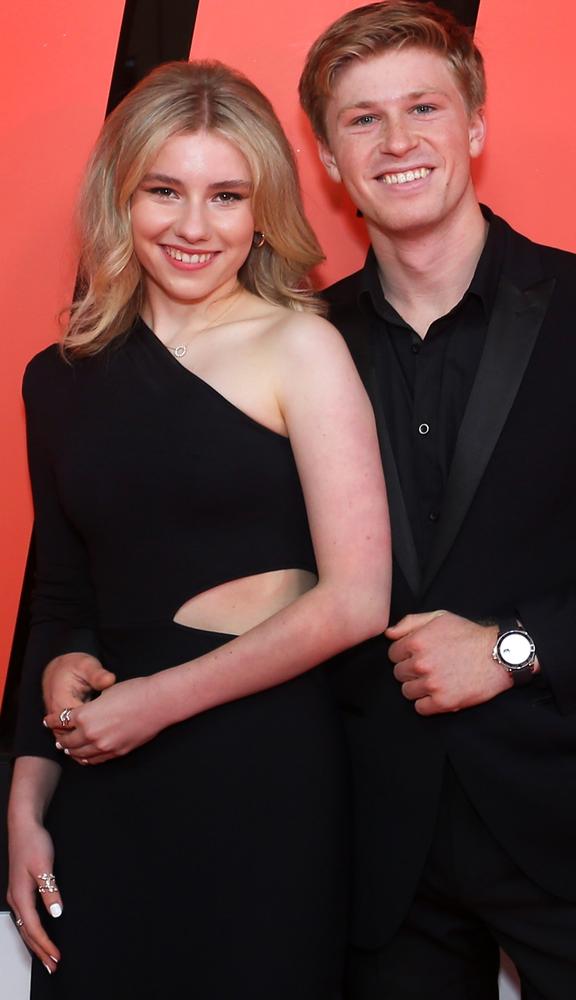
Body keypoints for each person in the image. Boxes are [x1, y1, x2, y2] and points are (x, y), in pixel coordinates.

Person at [7, 59, 391, 999]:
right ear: (119, 197)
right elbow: (60, 598)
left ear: (262, 210)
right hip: (102, 774)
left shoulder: (301, 346)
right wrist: (24, 801)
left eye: (227, 195)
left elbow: (356, 602)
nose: (192, 226)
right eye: (163, 191)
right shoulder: (56, 378)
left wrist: (157, 702)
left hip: (260, 772)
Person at [294, 2, 576, 997]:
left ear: (475, 128)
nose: (396, 141)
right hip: (374, 853)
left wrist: (509, 647)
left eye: (422, 108)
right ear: (326, 157)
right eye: (360, 119)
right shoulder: (299, 342)